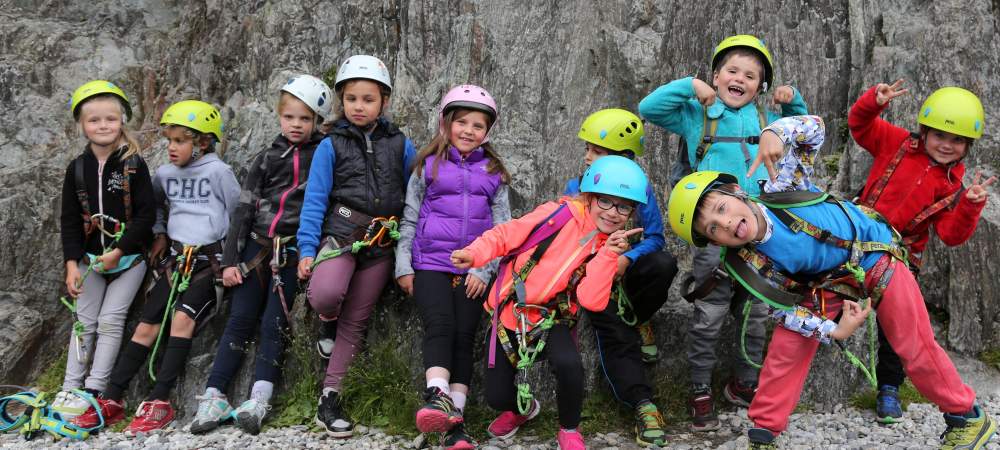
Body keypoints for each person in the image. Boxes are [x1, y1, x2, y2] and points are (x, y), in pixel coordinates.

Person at [667, 115, 997, 450]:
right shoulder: (751, 262)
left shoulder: (783, 186)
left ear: (738, 192)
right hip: (827, 283)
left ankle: (965, 416)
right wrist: (833, 331)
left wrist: (774, 132)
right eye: (712, 229)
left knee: (912, 341)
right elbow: (787, 311)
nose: (725, 223)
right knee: (787, 344)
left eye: (722, 208)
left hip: (875, 253)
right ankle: (763, 434)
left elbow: (814, 129)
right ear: (717, 243)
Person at [638, 34, 809, 431]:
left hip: (760, 234)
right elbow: (649, 108)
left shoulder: (766, 120)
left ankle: (744, 384)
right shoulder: (698, 113)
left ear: (760, 86)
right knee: (711, 310)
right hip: (716, 231)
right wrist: (689, 86)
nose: (740, 79)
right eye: (731, 71)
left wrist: (793, 102)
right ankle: (700, 389)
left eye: (751, 75)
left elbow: (801, 134)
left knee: (756, 311)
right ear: (716, 77)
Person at [452, 156, 648, 450]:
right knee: (496, 396)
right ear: (590, 197)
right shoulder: (558, 214)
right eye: (605, 201)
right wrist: (476, 252)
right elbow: (510, 233)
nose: (613, 212)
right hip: (509, 312)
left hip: (551, 317)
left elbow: (590, 300)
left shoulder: (606, 247)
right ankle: (522, 410)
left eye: (623, 206)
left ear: (631, 212)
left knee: (570, 366)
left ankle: (569, 429)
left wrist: (608, 255)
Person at [72, 100, 238, 433]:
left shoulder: (220, 172)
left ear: (203, 142)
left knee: (181, 320)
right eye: (169, 141)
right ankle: (113, 396)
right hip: (175, 260)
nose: (172, 148)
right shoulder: (164, 173)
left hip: (208, 261)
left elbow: (238, 215)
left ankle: (160, 399)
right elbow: (156, 207)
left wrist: (232, 261)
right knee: (146, 326)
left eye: (180, 141)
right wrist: (160, 234)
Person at [189, 74, 333, 435]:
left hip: (294, 248)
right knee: (239, 319)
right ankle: (214, 393)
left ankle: (259, 397)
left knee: (273, 322)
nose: (296, 125)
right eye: (289, 117)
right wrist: (229, 262)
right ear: (279, 117)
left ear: (317, 121)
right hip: (255, 246)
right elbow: (244, 208)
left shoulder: (324, 153)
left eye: (304, 118)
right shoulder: (267, 157)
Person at [848, 81, 996, 423]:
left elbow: (951, 235)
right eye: (940, 135)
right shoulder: (895, 142)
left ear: (967, 146)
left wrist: (970, 206)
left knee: (895, 325)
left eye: (957, 140)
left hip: (898, 256)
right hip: (855, 239)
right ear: (924, 131)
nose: (947, 145)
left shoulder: (951, 187)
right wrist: (873, 102)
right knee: (825, 293)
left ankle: (888, 388)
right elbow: (860, 126)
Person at [296, 55, 417, 438]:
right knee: (326, 295)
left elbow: (418, 189)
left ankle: (329, 398)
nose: (359, 106)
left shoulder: (400, 144)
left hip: (381, 243)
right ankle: (326, 323)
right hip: (342, 235)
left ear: (384, 101)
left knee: (357, 321)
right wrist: (306, 250)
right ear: (341, 102)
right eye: (351, 98)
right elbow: (315, 199)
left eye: (368, 98)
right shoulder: (331, 146)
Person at [396, 84, 511, 449]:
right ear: (446, 123)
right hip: (431, 262)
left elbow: (502, 229)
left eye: (478, 125)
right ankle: (436, 398)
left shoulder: (494, 172)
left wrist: (484, 270)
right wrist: (403, 265)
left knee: (464, 337)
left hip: (474, 270)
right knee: (440, 326)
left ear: (487, 132)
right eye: (461, 122)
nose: (468, 130)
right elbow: (410, 219)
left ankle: (454, 425)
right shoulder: (427, 166)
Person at [563, 108, 677, 446]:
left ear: (621, 156)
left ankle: (640, 317)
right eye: (588, 149)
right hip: (595, 276)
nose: (587, 156)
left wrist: (627, 258)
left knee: (664, 263)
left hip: (623, 270)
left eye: (596, 151)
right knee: (614, 330)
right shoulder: (578, 187)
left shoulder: (640, 189)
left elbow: (656, 238)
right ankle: (643, 404)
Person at [54, 80, 155, 420]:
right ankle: (70, 388)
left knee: (111, 320)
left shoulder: (134, 165)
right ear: (82, 125)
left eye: (110, 119)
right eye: (94, 120)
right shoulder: (77, 169)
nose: (103, 126)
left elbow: (146, 216)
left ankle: (94, 389)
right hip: (89, 260)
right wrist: (72, 265)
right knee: (84, 322)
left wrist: (121, 249)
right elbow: (69, 221)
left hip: (129, 259)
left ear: (121, 121)